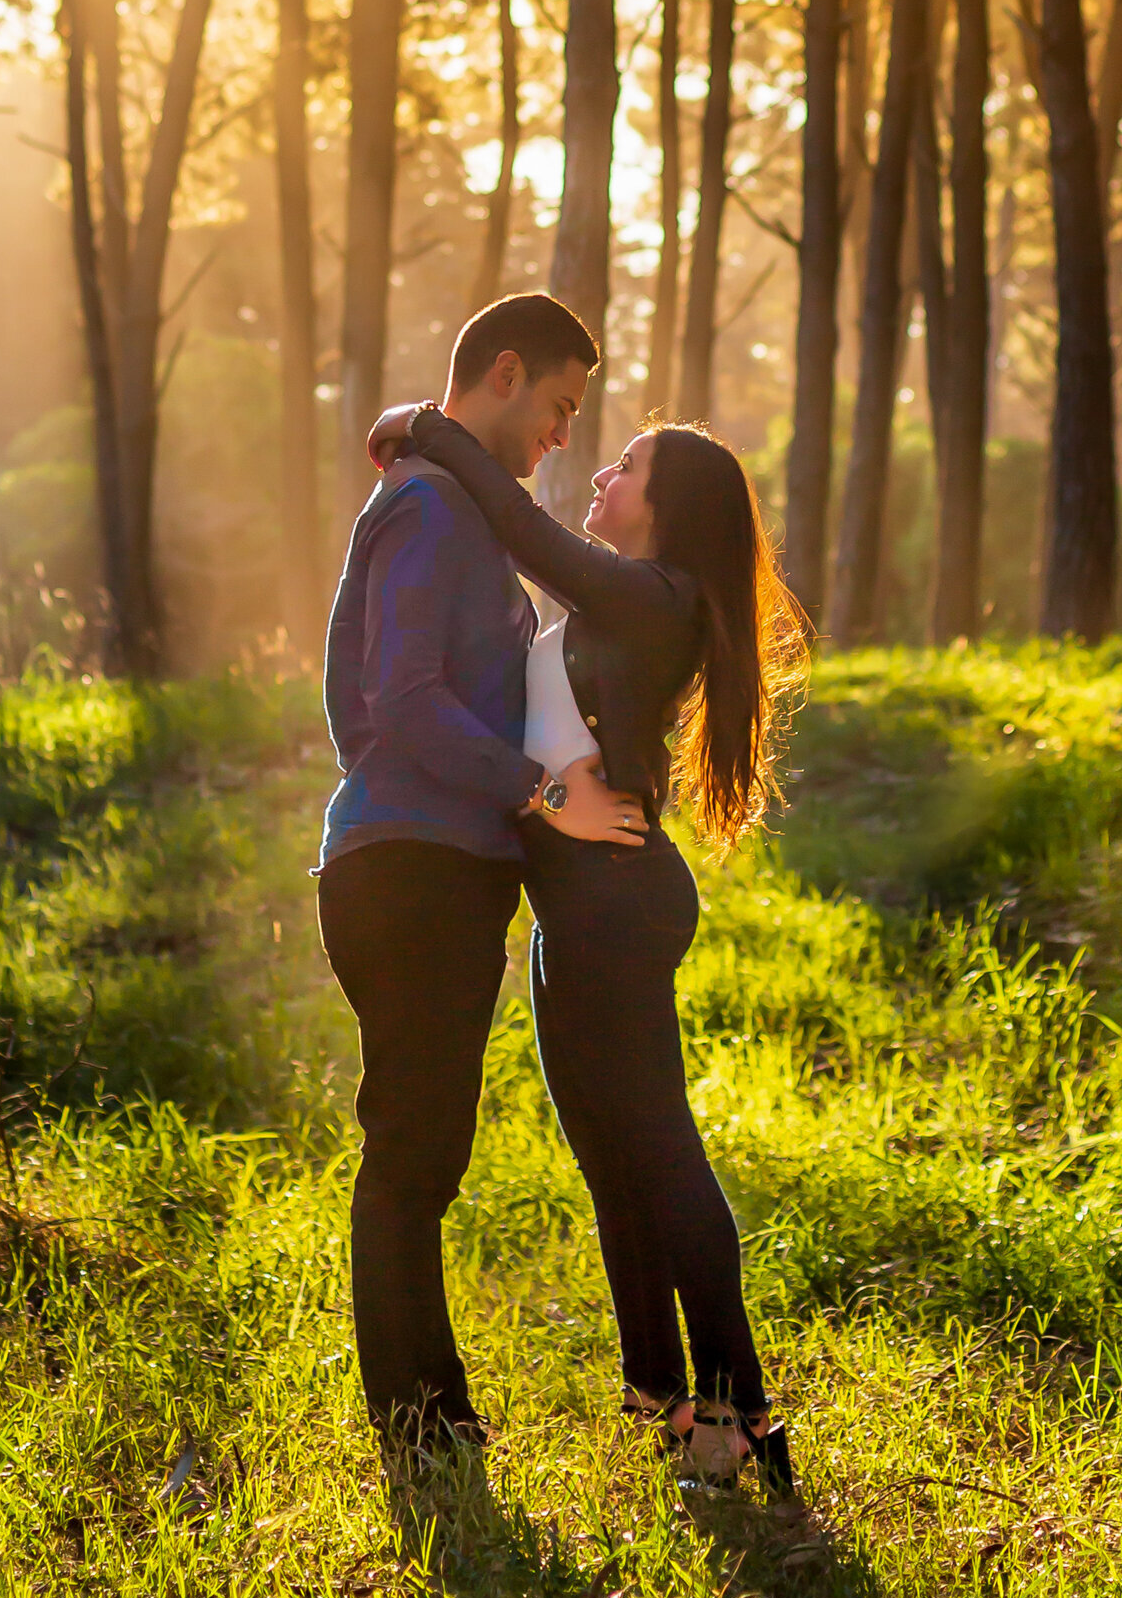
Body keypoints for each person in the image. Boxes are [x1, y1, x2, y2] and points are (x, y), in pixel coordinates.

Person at [368, 390, 808, 1494]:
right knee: (611, 1162)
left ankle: (736, 1405)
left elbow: (521, 530)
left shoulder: (657, 592)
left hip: (615, 904)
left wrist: (427, 425)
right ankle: (662, 1395)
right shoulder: (618, 610)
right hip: (574, 913)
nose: (600, 475)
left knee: (659, 1151)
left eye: (623, 465)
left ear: (667, 507)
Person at [315, 290, 636, 1454]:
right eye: (556, 407)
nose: (560, 436)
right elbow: (396, 698)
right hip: (409, 873)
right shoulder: (434, 508)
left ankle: (433, 1408)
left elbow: (350, 694)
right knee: (411, 1147)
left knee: (424, 1143)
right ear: (503, 373)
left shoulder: (436, 505)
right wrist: (539, 791)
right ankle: (415, 1422)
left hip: (419, 861)